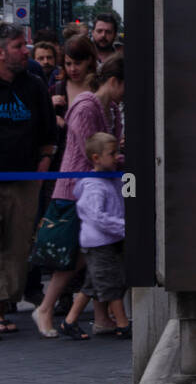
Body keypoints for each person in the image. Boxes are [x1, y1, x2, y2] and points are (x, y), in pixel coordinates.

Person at [32, 53, 124, 338]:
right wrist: (116, 160)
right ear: (113, 81)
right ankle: (46, 308)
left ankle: (101, 317)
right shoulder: (87, 107)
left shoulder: (111, 109)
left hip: (93, 188)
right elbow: (89, 157)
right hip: (76, 190)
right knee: (74, 257)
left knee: (94, 255)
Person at [0, 24, 58, 335]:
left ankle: (5, 303)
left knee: (17, 247)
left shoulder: (34, 86)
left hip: (24, 181)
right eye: (19, 45)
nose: (26, 51)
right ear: (1, 51)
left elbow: (49, 133)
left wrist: (42, 170)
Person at [59, 132, 129, 339]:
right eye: (112, 153)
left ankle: (69, 321)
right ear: (96, 158)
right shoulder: (94, 185)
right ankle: (123, 324)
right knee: (111, 284)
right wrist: (124, 227)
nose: (116, 157)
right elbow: (98, 216)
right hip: (100, 243)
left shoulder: (109, 176)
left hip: (107, 240)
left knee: (91, 284)